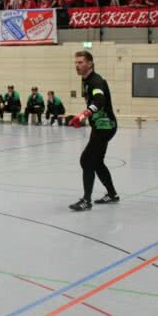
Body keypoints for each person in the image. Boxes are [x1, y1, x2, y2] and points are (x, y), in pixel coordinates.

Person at [68, 51, 119, 209]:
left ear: (90, 63)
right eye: (76, 63)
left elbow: (99, 99)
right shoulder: (86, 81)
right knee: (96, 162)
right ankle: (112, 194)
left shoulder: (96, 81)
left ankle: (86, 201)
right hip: (100, 126)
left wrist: (84, 115)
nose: (77, 65)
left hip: (105, 126)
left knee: (86, 160)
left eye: (81, 62)